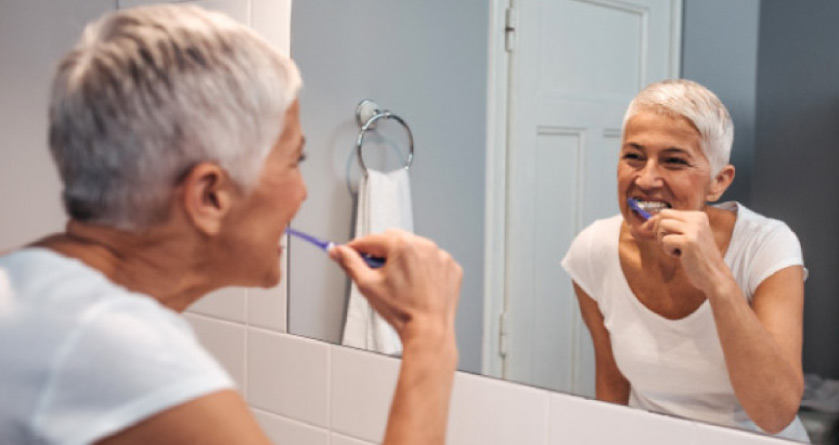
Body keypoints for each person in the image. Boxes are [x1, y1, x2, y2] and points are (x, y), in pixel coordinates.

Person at [0, 5, 462, 444]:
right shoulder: (118, 354)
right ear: (209, 196)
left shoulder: (26, 280)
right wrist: (429, 332)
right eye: (293, 161)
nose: (303, 193)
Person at [562, 79, 810, 442]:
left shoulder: (768, 246)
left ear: (718, 183)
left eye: (673, 161)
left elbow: (775, 414)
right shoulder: (593, 250)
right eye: (633, 156)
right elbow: (613, 387)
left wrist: (715, 278)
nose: (646, 179)